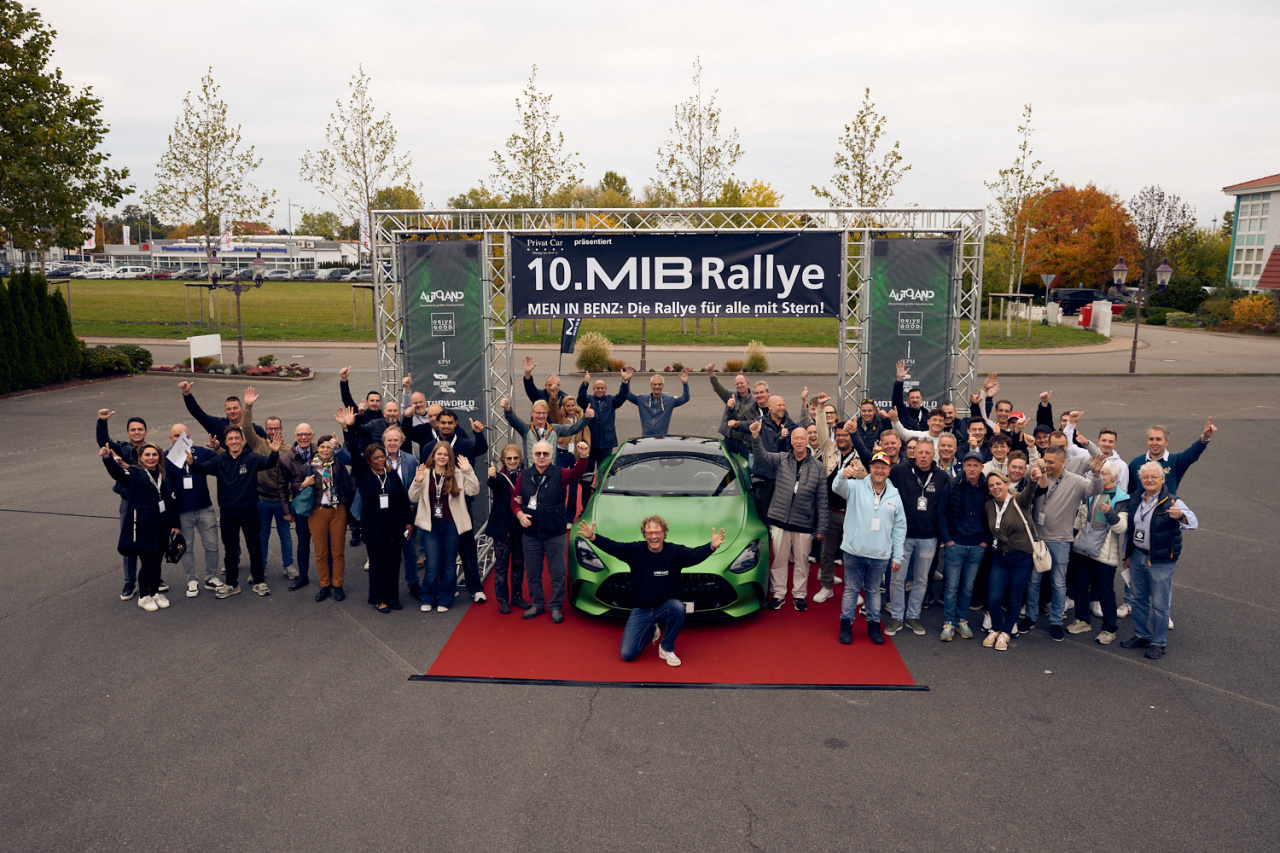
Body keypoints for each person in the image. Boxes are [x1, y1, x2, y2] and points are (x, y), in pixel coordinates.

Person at [577, 517, 726, 667]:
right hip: (641, 610)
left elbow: (694, 555)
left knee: (679, 607)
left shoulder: (674, 552)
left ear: (664, 533)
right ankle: (651, 630)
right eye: (649, 533)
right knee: (627, 654)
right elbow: (613, 547)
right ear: (645, 535)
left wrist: (711, 547)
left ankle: (666, 648)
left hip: (664, 608)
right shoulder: (635, 551)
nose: (654, 536)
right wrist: (593, 537)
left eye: (657, 532)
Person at [1024, 444, 1106, 641]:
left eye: (1051, 462)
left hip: (1060, 540)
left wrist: (1096, 473)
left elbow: (1095, 489)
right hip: (1037, 539)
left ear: (1063, 462)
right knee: (1033, 581)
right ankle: (1030, 617)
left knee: (1058, 583)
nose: (1047, 465)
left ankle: (1055, 622)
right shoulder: (1039, 475)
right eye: (1046, 460)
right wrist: (1034, 464)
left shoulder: (1076, 481)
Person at [337, 408, 414, 613]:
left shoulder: (392, 475)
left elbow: (402, 499)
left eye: (382, 457)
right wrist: (347, 428)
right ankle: (379, 599)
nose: (380, 461)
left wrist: (408, 522)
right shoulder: (363, 474)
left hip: (394, 525)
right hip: (373, 526)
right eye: (376, 458)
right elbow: (354, 453)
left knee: (393, 563)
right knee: (378, 564)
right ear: (369, 460)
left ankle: (392, 598)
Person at [191, 425, 281, 598]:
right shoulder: (219, 461)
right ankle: (232, 584)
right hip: (228, 514)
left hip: (250, 512)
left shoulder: (252, 458)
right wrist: (190, 462)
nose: (234, 441)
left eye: (236, 438)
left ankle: (259, 581)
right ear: (225, 442)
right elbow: (202, 469)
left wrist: (275, 452)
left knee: (254, 547)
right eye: (230, 439)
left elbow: (269, 463)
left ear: (241, 440)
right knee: (230, 550)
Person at [1120, 462, 1198, 660]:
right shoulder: (1136, 497)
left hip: (1161, 560)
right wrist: (1128, 555)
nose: (1149, 480)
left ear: (1162, 479)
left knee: (1160, 604)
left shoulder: (1172, 501)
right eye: (1145, 477)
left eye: (1154, 477)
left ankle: (1158, 642)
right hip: (1138, 555)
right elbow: (1131, 529)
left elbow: (1193, 522)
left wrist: (1181, 516)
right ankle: (1142, 635)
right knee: (1138, 599)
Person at [749, 419, 829, 611]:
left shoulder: (818, 467)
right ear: (791, 441)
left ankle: (799, 595)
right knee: (779, 560)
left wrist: (822, 526)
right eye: (796, 438)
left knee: (802, 561)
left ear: (807, 441)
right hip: (779, 520)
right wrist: (756, 437)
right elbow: (761, 456)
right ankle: (778, 594)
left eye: (802, 438)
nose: (799, 441)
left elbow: (822, 499)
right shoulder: (782, 459)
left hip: (803, 523)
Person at [510, 439, 590, 623]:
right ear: (532, 455)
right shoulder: (524, 476)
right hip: (531, 534)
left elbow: (577, 473)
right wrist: (519, 514)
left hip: (555, 533)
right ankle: (537, 604)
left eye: (545, 453)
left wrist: (583, 457)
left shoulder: (561, 473)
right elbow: (514, 499)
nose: (541, 457)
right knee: (533, 572)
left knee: (558, 572)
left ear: (551, 455)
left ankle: (555, 606)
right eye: (538, 453)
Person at [832, 451, 906, 645]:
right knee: (851, 590)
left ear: (889, 470)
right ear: (870, 468)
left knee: (873, 591)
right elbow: (837, 487)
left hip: (880, 555)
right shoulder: (855, 487)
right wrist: (842, 474)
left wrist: (897, 555)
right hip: (854, 551)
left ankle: (874, 625)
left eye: (883, 467)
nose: (879, 470)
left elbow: (899, 528)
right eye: (876, 466)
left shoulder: (895, 495)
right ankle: (846, 624)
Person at [100, 443, 180, 612]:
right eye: (147, 455)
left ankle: (155, 592)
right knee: (148, 563)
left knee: (157, 561)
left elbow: (172, 501)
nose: (151, 458)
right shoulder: (135, 473)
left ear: (159, 457)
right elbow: (117, 473)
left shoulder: (164, 475)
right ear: (141, 458)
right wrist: (107, 459)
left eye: (154, 454)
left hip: (161, 526)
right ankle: (144, 596)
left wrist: (175, 523)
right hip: (144, 526)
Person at [96, 409, 166, 600]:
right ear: (128, 432)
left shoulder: (152, 451)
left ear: (146, 431)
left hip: (151, 504)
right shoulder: (122, 449)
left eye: (140, 429)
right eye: (133, 429)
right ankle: (129, 581)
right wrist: (102, 422)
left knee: (153, 540)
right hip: (129, 502)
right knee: (131, 541)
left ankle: (153, 577)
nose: (137, 432)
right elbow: (104, 442)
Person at [409, 440, 480, 613]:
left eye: (445, 454)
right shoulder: (425, 472)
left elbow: (474, 490)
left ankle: (445, 598)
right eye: (439, 454)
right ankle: (427, 596)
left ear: (450, 457)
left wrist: (468, 471)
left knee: (449, 565)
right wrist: (417, 481)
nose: (442, 457)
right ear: (433, 456)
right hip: (431, 526)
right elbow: (412, 497)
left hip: (452, 526)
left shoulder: (457, 473)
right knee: (432, 565)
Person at [885, 439, 946, 637]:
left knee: (921, 579)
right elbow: (880, 480)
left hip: (929, 538)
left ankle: (913, 615)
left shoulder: (942, 477)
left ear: (934, 454)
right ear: (913, 453)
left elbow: (945, 508)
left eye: (928, 453)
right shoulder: (899, 471)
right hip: (902, 536)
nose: (923, 456)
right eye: (920, 452)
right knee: (897, 579)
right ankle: (896, 616)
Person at [982, 465, 1046, 650]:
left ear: (1006, 484)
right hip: (1000, 557)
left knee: (1014, 598)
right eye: (991, 485)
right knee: (994, 598)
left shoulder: (1019, 500)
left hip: (1021, 558)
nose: (995, 487)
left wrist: (1033, 479)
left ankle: (1006, 632)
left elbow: (1030, 490)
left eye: (998, 483)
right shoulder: (989, 505)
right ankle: (996, 628)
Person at [1067, 460, 1129, 644]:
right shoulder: (1092, 492)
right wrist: (1072, 538)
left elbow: (1121, 528)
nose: (1101, 476)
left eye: (1105, 473)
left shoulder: (1122, 498)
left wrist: (1110, 513)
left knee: (1105, 591)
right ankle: (1082, 620)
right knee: (1080, 586)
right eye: (1100, 473)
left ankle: (1109, 629)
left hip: (1105, 554)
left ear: (1115, 477)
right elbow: (1080, 518)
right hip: (1082, 549)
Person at [241, 389, 296, 584]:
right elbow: (246, 427)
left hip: (281, 501)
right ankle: (260, 568)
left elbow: (294, 478)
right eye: (270, 429)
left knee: (285, 536)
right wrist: (248, 406)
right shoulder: (258, 443)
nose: (273, 432)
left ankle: (289, 566)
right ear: (265, 430)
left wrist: (291, 502)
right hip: (261, 499)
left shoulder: (289, 450)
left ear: (281, 429)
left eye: (276, 428)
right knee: (261, 536)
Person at [165, 423, 223, 597]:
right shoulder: (165, 458)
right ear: (170, 438)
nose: (180, 439)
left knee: (212, 545)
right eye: (176, 436)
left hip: (204, 507)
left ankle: (211, 577)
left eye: (184, 435)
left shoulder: (201, 452)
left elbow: (224, 459)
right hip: (182, 511)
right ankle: (192, 580)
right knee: (186, 547)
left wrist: (217, 448)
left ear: (189, 436)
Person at [937, 450, 989, 641]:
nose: (972, 468)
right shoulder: (953, 484)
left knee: (968, 587)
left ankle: (962, 620)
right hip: (956, 543)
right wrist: (947, 539)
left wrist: (985, 541)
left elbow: (992, 516)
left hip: (977, 545)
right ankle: (949, 621)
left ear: (981, 467)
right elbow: (941, 513)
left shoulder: (987, 488)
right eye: (969, 465)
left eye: (976, 465)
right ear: (963, 466)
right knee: (951, 587)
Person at [300, 432, 354, 601]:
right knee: (321, 551)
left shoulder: (338, 464)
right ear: (317, 448)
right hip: (318, 512)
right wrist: (303, 484)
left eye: (328, 447)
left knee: (338, 551)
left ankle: (337, 585)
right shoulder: (308, 467)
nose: (325, 450)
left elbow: (348, 486)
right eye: (322, 447)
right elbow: (294, 486)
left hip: (337, 511)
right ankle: (324, 585)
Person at [487, 445, 530, 614]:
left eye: (515, 458)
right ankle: (502, 599)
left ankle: (517, 596)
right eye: (509, 458)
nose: (512, 461)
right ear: (503, 460)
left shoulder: (526, 475)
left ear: (520, 459)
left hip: (520, 529)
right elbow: (494, 484)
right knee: (502, 566)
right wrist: (492, 476)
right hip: (503, 530)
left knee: (519, 565)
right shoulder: (499, 476)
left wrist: (524, 501)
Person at [1126, 419, 1216, 498]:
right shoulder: (1136, 463)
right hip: (1142, 509)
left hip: (1167, 509)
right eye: (1151, 439)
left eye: (1158, 439)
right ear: (1147, 441)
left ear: (1166, 442)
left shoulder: (1176, 461)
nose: (1154, 443)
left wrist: (1205, 438)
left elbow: (1193, 452)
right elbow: (1129, 491)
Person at [280, 423, 318, 591]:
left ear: (312, 435)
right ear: (295, 437)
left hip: (320, 506)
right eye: (300, 434)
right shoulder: (286, 458)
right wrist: (286, 511)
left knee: (324, 543)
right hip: (302, 508)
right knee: (303, 543)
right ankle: (303, 575)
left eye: (307, 434)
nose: (304, 437)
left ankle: (330, 577)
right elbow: (281, 486)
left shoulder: (321, 451)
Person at [577, 369, 631, 486]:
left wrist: (624, 382)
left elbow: (622, 396)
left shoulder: (611, 400)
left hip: (606, 444)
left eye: (602, 388)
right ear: (593, 389)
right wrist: (585, 384)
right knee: (587, 473)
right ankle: (586, 496)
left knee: (605, 472)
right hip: (590, 444)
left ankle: (601, 493)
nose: (600, 390)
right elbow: (580, 399)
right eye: (598, 388)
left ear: (605, 389)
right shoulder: (588, 400)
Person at [501, 396, 589, 461]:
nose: (541, 416)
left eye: (544, 413)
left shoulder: (555, 429)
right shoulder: (526, 429)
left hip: (550, 473)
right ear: (532, 413)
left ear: (547, 414)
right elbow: (514, 421)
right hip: (531, 471)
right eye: (538, 413)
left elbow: (573, 429)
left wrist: (586, 417)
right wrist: (508, 409)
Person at [177, 380, 267, 443]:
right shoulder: (216, 425)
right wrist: (187, 394)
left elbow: (266, 451)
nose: (232, 411)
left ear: (242, 409)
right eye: (229, 409)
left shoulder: (256, 430)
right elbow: (197, 413)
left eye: (235, 408)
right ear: (225, 411)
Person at [552, 395, 591, 520]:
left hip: (574, 455)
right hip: (561, 455)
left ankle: (569, 517)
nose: (570, 408)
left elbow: (586, 435)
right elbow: (553, 410)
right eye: (567, 406)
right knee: (560, 487)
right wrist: (553, 399)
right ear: (563, 407)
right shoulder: (559, 417)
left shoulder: (580, 417)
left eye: (572, 405)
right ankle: (559, 515)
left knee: (574, 490)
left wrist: (584, 453)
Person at [707, 365, 757, 457]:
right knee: (728, 462)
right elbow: (718, 388)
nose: (739, 385)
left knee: (745, 464)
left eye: (741, 383)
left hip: (745, 442)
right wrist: (711, 374)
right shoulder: (730, 396)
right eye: (737, 384)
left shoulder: (755, 400)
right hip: (729, 439)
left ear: (747, 383)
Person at [627, 369, 690, 437]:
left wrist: (685, 384)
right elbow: (627, 395)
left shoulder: (669, 400)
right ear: (651, 386)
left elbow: (685, 398)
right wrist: (627, 381)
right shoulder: (642, 399)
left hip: (661, 437)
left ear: (663, 386)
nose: (657, 387)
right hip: (646, 437)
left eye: (659, 384)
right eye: (655, 384)